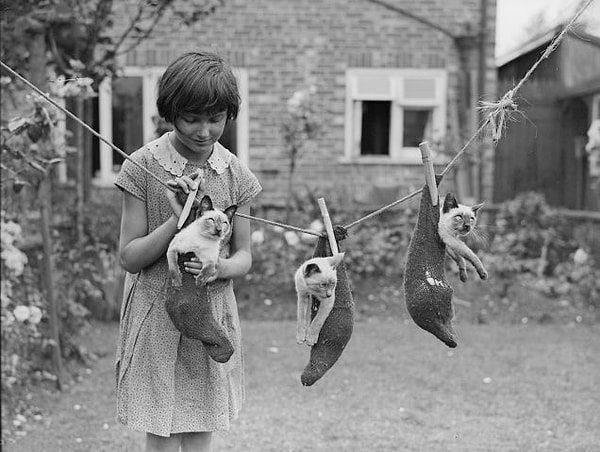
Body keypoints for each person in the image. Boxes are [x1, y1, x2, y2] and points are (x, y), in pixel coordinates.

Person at [114, 51, 262, 452]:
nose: (203, 130)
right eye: (192, 118)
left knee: (200, 424)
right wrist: (176, 221)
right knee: (160, 428)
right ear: (169, 112)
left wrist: (221, 268)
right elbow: (129, 257)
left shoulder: (236, 176)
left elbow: (244, 255)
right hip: (156, 312)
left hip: (210, 315)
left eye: (215, 119)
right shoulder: (142, 166)